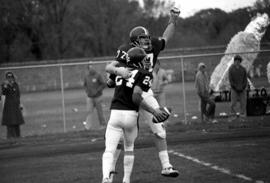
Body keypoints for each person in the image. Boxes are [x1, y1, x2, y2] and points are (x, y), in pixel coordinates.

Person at [105, 7, 180, 178]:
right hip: (127, 93)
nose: (147, 41)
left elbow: (166, 37)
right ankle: (109, 173)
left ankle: (166, 166)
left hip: (144, 90)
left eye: (147, 38)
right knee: (121, 138)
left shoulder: (153, 45)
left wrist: (173, 19)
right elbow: (110, 67)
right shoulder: (125, 49)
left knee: (159, 128)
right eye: (143, 39)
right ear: (134, 42)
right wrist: (117, 74)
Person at [102, 47, 171, 183]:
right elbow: (136, 97)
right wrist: (154, 111)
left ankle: (106, 178)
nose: (146, 61)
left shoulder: (121, 70)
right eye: (143, 59)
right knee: (129, 148)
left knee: (109, 150)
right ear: (138, 61)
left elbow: (109, 80)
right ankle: (126, 180)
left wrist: (116, 71)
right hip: (131, 115)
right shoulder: (144, 73)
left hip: (115, 113)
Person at [1, 72, 25, 139]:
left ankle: (18, 136)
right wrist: (5, 86)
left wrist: (20, 103)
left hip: (16, 105)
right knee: (10, 122)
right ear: (6, 78)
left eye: (11, 77)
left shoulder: (16, 84)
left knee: (17, 121)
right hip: (8, 105)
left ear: (13, 78)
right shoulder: (4, 85)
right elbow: (4, 93)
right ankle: (10, 136)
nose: (10, 79)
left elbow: (18, 95)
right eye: (8, 78)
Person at [83, 63, 106, 130]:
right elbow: (84, 85)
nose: (91, 69)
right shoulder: (86, 76)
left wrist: (98, 90)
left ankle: (103, 125)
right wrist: (87, 91)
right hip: (89, 97)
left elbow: (103, 84)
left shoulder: (98, 75)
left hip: (98, 97)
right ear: (88, 69)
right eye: (90, 68)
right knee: (89, 112)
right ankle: (87, 127)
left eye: (92, 68)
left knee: (100, 112)